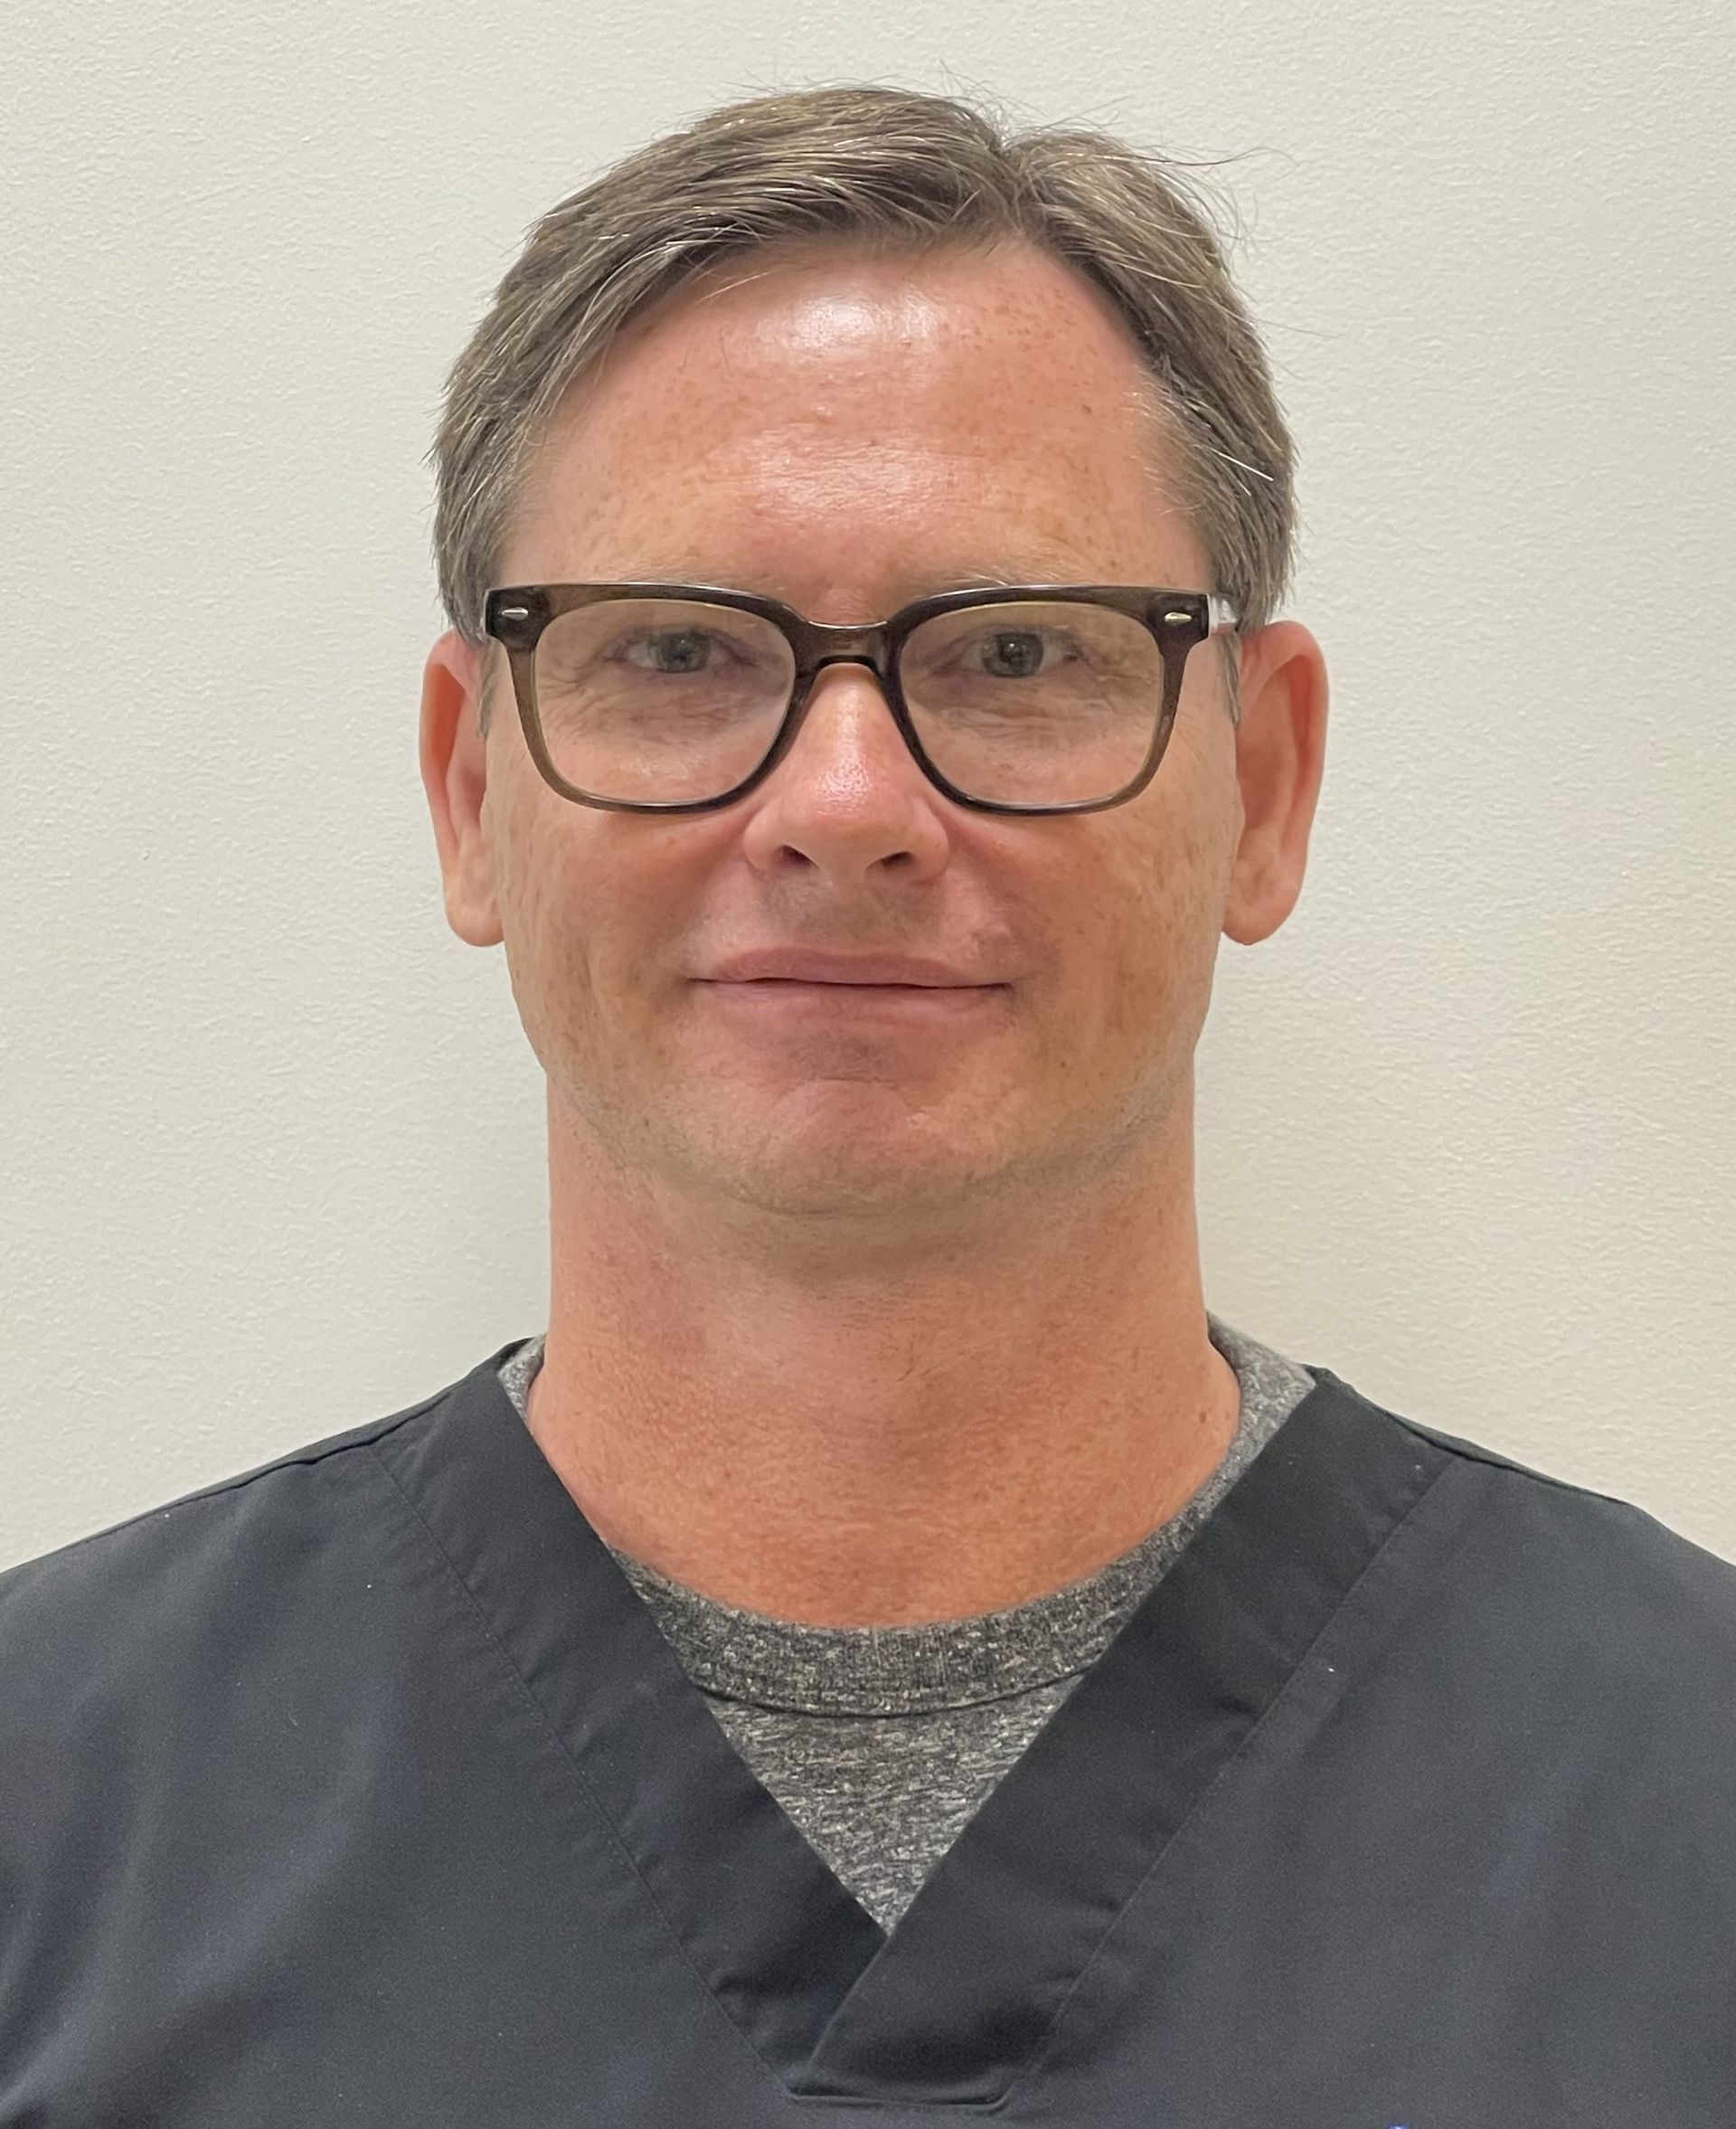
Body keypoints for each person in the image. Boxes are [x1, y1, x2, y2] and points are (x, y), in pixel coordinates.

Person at [3, 83, 1732, 2129]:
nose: (843, 807)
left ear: (1264, 782)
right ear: (471, 790)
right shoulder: (52, 1808)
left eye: (1014, 650)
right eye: (671, 652)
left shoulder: (1683, 1795)